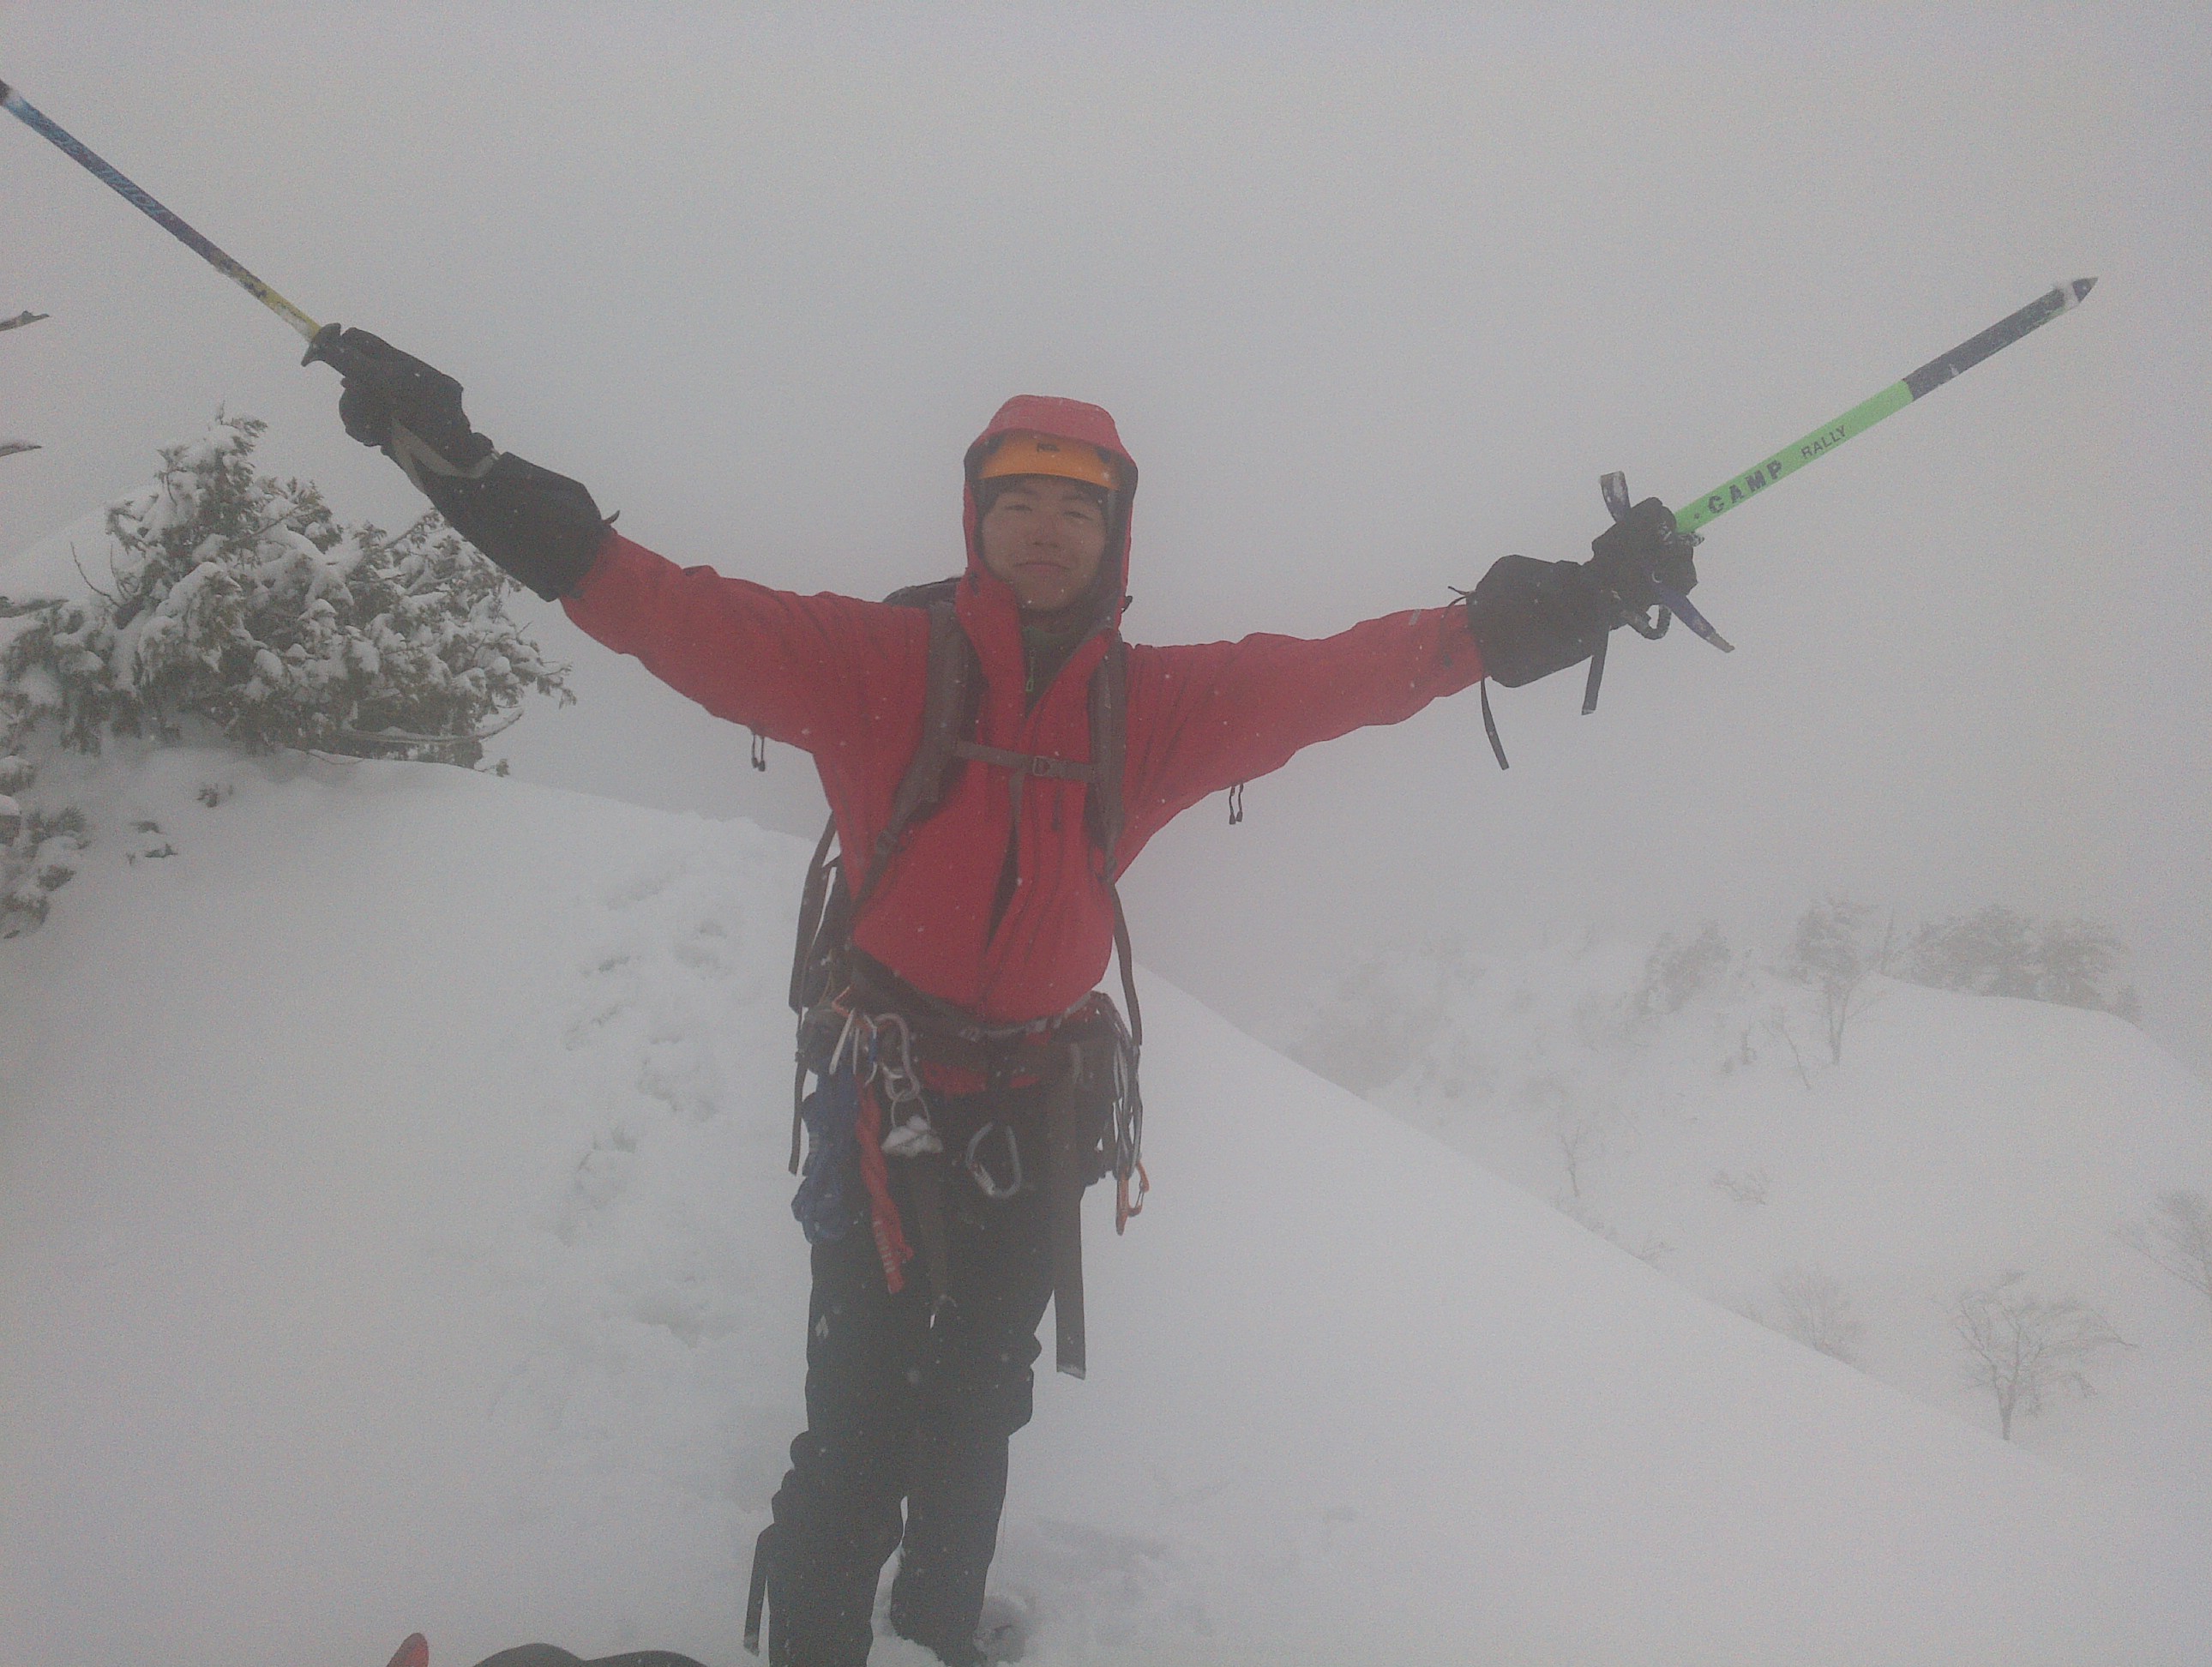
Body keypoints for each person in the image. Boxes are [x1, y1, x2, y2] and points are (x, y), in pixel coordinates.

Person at [316, 327, 1697, 1666]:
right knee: (859, 1427)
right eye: (1019, 503)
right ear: (975, 521)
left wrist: (1549, 606)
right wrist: (464, 468)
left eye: (1078, 510)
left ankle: (932, 1635)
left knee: (979, 1403)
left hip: (1038, 1108)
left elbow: (1346, 676)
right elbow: (661, 607)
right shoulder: (879, 666)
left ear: (1117, 536)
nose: (1047, 531)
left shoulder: (1152, 708)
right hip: (888, 1102)